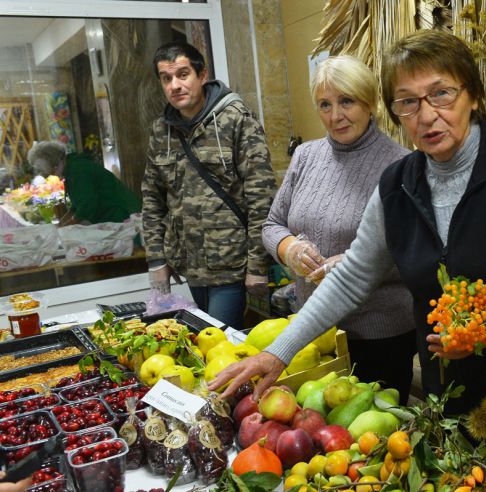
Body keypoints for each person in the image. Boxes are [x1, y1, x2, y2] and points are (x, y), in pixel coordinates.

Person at [210, 30, 486, 491]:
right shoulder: (397, 184)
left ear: (472, 95)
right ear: (395, 112)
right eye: (408, 102)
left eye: (441, 93)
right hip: (452, 413)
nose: (427, 115)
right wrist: (279, 352)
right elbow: (353, 276)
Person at [261, 55, 416, 404]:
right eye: (325, 105)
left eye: (346, 101)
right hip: (315, 332)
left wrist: (351, 263)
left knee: (376, 440)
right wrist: (289, 249)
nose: (335, 116)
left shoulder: (401, 166)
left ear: (369, 101)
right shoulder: (305, 156)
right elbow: (272, 224)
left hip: (380, 335)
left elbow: (411, 254)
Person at [141, 41, 276, 331]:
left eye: (183, 74)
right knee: (204, 342)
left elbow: (261, 198)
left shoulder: (237, 120)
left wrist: (257, 266)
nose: (175, 85)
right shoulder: (161, 131)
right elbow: (152, 199)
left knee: (216, 342)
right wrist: (156, 260)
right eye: (167, 78)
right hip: (188, 265)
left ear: (202, 75)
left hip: (232, 264)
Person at [28, 141, 141, 225]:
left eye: (47, 170)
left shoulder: (77, 169)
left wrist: (67, 226)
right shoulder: (72, 167)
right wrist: (60, 225)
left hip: (122, 214)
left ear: (52, 163)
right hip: (115, 214)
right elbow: (77, 206)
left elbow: (87, 204)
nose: (49, 174)